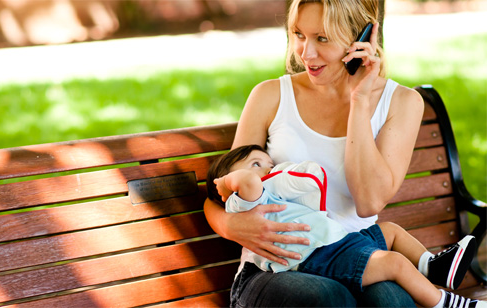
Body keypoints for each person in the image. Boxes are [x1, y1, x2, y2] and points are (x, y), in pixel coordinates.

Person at [203, 0, 453, 306]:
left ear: (360, 37)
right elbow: (222, 191)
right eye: (299, 34)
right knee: (328, 297)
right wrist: (230, 225)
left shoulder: (401, 103)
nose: (306, 53)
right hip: (274, 267)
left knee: (391, 300)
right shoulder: (269, 96)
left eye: (322, 38)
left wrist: (358, 101)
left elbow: (368, 202)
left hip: (356, 253)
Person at [206, 144, 483, 308]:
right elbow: (249, 183)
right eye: (258, 164)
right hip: (318, 257)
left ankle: (434, 266)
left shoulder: (277, 194)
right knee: (393, 264)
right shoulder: (245, 202)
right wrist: (229, 182)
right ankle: (445, 302)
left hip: (339, 244)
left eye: (270, 162)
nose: (269, 169)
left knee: (391, 232)